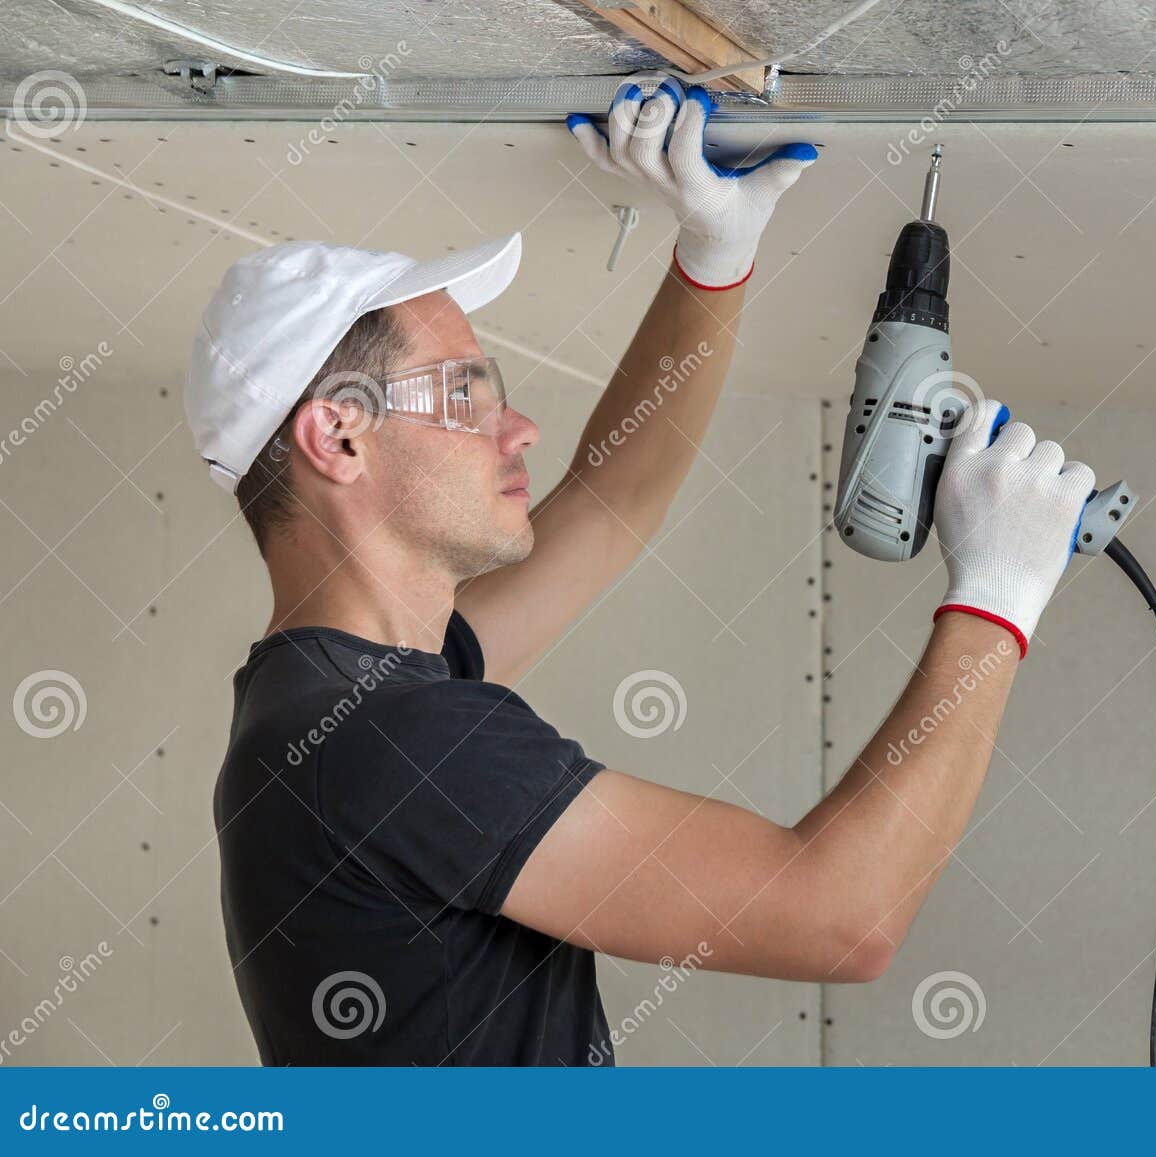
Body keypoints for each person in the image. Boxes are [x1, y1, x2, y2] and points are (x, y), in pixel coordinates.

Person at [185, 83, 1093, 1065]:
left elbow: (613, 505)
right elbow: (840, 914)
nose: (516, 425)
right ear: (340, 438)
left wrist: (714, 256)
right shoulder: (391, 738)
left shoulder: (333, 702)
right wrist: (996, 597)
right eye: (462, 393)